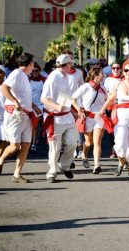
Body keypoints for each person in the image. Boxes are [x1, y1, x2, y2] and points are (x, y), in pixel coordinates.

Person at [98, 59, 129, 181]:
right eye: (126, 70)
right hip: (121, 120)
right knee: (120, 146)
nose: (128, 72)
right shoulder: (119, 84)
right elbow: (111, 98)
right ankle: (121, 162)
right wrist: (102, 109)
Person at [41, 54, 82, 183]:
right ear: (66, 64)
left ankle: (64, 165)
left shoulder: (65, 76)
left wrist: (73, 111)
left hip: (67, 116)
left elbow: (66, 95)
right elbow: (43, 98)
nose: (72, 66)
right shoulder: (53, 77)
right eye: (70, 63)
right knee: (55, 147)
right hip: (55, 118)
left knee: (72, 142)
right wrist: (56, 106)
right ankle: (51, 172)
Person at [0, 53, 36, 183]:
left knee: (25, 145)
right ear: (30, 64)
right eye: (33, 63)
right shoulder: (17, 74)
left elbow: (23, 95)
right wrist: (15, 102)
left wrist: (33, 106)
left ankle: (17, 174)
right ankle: (0, 159)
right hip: (16, 115)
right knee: (14, 146)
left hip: (27, 115)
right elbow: (4, 88)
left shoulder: (25, 76)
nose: (33, 65)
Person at [72, 68, 107, 174]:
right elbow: (73, 98)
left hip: (99, 118)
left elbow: (108, 101)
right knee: (88, 142)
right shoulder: (86, 87)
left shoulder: (103, 88)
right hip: (88, 118)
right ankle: (84, 155)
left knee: (97, 142)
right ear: (96, 75)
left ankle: (97, 165)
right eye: (102, 74)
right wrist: (79, 110)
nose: (103, 75)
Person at [29, 63, 46, 152]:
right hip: (29, 104)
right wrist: (33, 106)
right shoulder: (28, 80)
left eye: (36, 71)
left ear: (39, 71)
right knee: (30, 124)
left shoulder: (43, 80)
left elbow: (46, 94)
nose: (34, 72)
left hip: (40, 105)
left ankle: (33, 144)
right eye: (33, 71)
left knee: (35, 123)